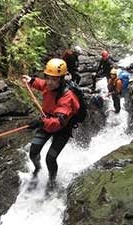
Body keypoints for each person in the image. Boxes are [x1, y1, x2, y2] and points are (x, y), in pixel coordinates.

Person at [21, 58, 80, 190]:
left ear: (61, 79)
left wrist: (40, 122)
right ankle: (37, 168)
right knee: (33, 152)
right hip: (47, 121)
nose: (50, 82)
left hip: (62, 129)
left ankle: (52, 181)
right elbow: (42, 84)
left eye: (54, 79)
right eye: (48, 77)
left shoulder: (67, 97)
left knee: (50, 158)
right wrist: (31, 80)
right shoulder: (48, 85)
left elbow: (58, 123)